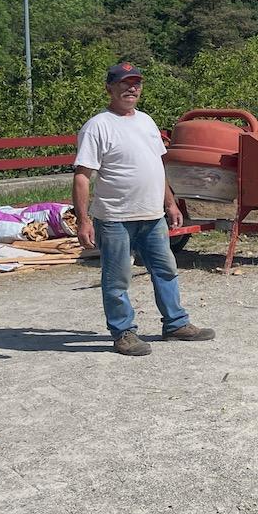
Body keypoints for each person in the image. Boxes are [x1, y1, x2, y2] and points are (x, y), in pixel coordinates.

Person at [73, 62, 215, 357]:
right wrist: (84, 220)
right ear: (109, 88)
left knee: (166, 270)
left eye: (136, 83)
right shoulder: (97, 126)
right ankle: (123, 332)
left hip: (152, 217)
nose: (131, 88)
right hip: (115, 218)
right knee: (117, 279)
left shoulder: (147, 122)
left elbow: (157, 167)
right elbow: (82, 176)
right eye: (124, 83)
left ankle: (176, 324)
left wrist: (170, 203)